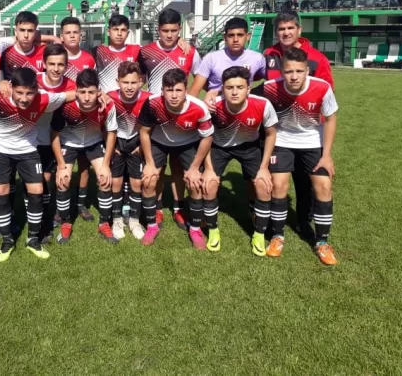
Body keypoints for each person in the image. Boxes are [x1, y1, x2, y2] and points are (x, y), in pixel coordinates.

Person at [0, 67, 73, 261]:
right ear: (10, 87)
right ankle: (7, 240)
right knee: (1, 192)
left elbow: (69, 95)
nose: (24, 98)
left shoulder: (44, 99)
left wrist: (102, 95)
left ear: (36, 90)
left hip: (27, 151)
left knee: (36, 190)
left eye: (29, 93)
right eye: (19, 92)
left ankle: (33, 239)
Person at [259, 10, 333, 237]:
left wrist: (314, 127)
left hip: (309, 131)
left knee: (305, 179)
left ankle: (303, 218)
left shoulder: (316, 58)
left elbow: (325, 95)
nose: (286, 32)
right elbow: (258, 85)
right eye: (281, 29)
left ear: (299, 30)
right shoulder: (269, 54)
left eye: (290, 28)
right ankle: (273, 224)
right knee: (277, 180)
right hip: (278, 131)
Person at [262, 48, 339, 265]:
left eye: (298, 71)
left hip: (313, 143)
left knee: (323, 186)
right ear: (281, 71)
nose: (293, 76)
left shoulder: (321, 88)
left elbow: (331, 119)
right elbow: (244, 95)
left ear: (307, 70)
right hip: (282, 142)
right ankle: (277, 237)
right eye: (288, 71)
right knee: (279, 185)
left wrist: (327, 155)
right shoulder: (269, 88)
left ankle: (322, 242)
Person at [201, 67, 278, 255]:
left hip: (249, 147)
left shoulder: (262, 104)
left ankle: (258, 234)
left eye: (239, 87)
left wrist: (264, 167)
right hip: (219, 147)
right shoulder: (213, 106)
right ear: (223, 88)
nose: (234, 92)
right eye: (229, 87)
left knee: (263, 184)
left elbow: (270, 134)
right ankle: (213, 230)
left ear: (249, 88)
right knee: (209, 184)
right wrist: (209, 169)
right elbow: (205, 137)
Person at [139, 8, 201, 229]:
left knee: (178, 166)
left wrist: (189, 102)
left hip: (182, 117)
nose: (169, 35)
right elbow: (137, 81)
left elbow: (200, 76)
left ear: (179, 30)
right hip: (156, 115)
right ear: (158, 30)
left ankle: (178, 207)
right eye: (165, 30)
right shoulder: (145, 52)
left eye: (174, 31)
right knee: (157, 167)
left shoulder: (190, 52)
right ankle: (155, 208)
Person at [138, 69, 214, 247]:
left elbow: (207, 137)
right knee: (149, 180)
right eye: (169, 90)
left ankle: (195, 229)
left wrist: (195, 168)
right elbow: (144, 132)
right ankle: (151, 226)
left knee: (195, 183)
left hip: (188, 142)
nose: (173, 95)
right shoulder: (152, 103)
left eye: (178, 90)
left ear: (186, 90)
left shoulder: (199, 108)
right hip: (159, 141)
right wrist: (149, 163)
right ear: (162, 90)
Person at [51, 69, 118, 244]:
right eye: (82, 92)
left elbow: (111, 133)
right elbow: (54, 135)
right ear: (76, 91)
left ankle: (104, 223)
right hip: (68, 144)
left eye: (91, 92)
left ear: (99, 91)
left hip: (94, 143)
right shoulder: (65, 107)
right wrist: (60, 166)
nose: (87, 97)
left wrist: (105, 164)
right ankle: (66, 222)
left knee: (104, 178)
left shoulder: (108, 105)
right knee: (63, 179)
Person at [34, 44, 77, 239]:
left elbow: (87, 95)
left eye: (60, 64)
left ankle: (51, 214)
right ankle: (39, 216)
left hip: (58, 138)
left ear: (67, 65)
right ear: (44, 63)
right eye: (51, 63)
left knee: (52, 178)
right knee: (37, 181)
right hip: (32, 139)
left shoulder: (72, 84)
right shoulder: (33, 81)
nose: (56, 68)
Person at [107, 61, 150, 240]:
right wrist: (110, 147)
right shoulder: (109, 97)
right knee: (115, 183)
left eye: (134, 82)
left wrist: (141, 146)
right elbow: (105, 126)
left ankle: (134, 220)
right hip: (117, 143)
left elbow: (152, 127)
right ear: (118, 82)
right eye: (125, 82)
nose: (130, 87)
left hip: (136, 143)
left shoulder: (148, 98)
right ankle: (117, 219)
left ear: (141, 81)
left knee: (136, 184)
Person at [188, 17, 266, 109]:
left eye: (240, 35)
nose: (235, 39)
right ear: (225, 37)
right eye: (231, 35)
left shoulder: (257, 58)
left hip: (245, 111)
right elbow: (194, 91)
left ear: (248, 36)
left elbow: (270, 81)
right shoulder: (211, 58)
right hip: (216, 109)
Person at [1, 11, 48, 80]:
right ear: (16, 32)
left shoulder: (44, 51)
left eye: (30, 31)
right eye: (22, 30)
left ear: (36, 33)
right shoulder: (5, 53)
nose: (26, 35)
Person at [59, 17, 96, 81]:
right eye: (68, 33)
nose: (72, 36)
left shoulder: (89, 59)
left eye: (75, 32)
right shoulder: (56, 59)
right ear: (62, 37)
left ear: (80, 36)